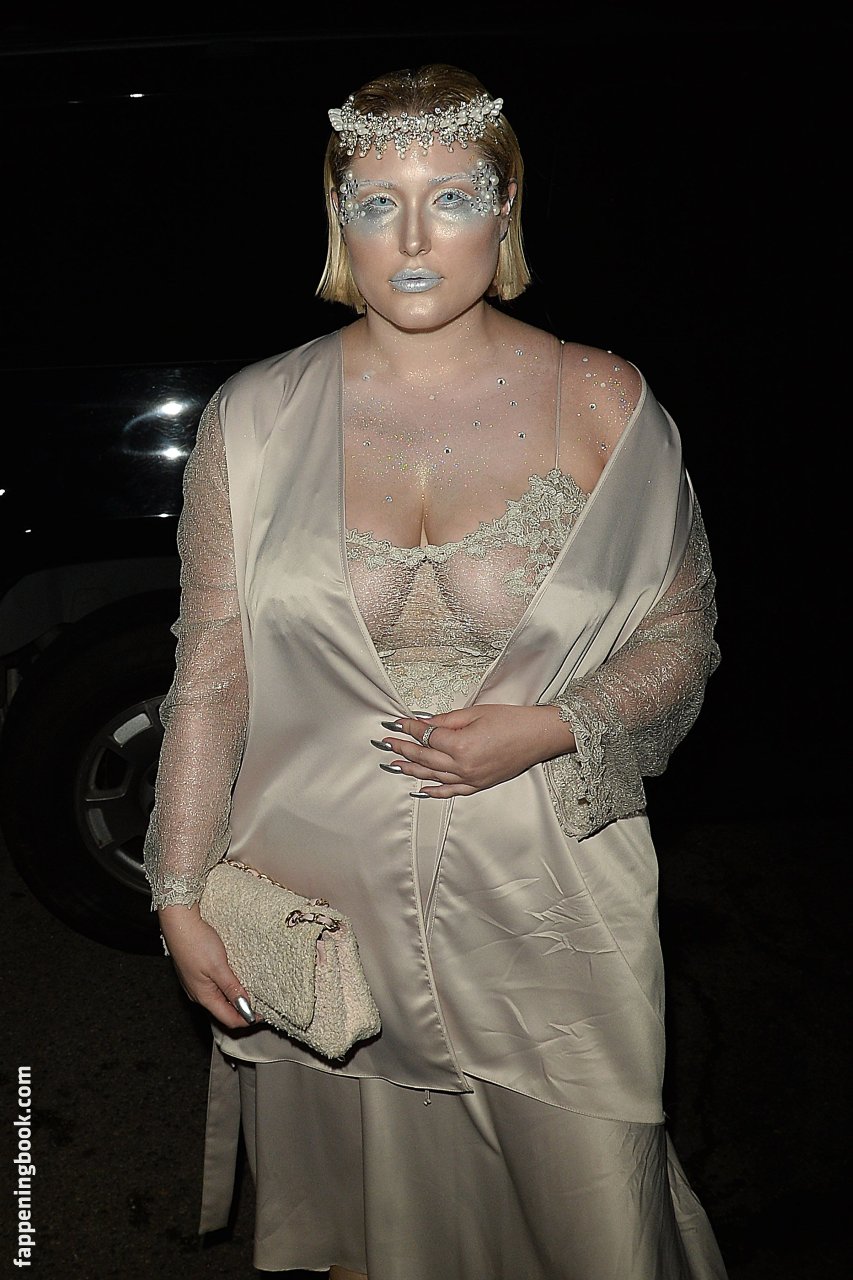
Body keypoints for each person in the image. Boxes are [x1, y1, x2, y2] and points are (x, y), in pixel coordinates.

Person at [144, 62, 728, 1280]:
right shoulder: (253, 415)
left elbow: (682, 639)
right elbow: (211, 673)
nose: (411, 239)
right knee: (370, 1235)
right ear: (337, 217)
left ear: (505, 208)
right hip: (321, 907)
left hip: (546, 899)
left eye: (450, 197)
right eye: (376, 202)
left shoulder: (602, 399)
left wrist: (555, 723)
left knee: (591, 1223)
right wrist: (179, 888)